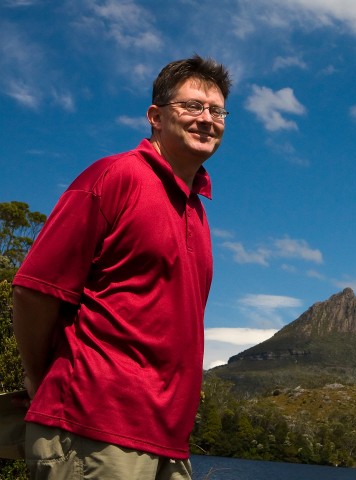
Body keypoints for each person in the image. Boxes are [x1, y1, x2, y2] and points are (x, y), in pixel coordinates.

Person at [12, 54, 232, 479]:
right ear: (155, 117)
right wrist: (39, 381)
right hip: (94, 430)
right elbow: (35, 289)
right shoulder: (115, 176)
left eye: (216, 110)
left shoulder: (197, 211)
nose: (206, 119)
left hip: (168, 442)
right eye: (191, 106)